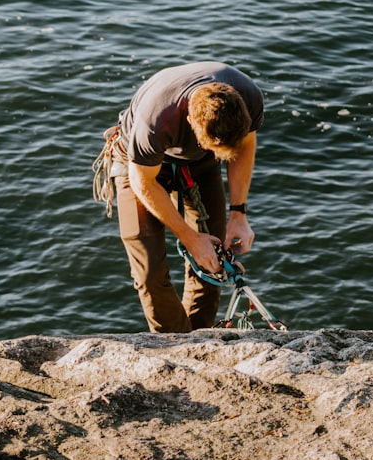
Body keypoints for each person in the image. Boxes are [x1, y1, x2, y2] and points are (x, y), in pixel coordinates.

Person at [93, 62, 264, 333]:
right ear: (190, 122)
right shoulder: (157, 119)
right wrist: (189, 237)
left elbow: (245, 147)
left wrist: (238, 213)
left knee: (213, 262)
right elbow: (143, 181)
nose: (224, 156)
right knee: (148, 271)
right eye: (217, 149)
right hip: (136, 167)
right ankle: (173, 344)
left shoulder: (248, 96)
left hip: (199, 165)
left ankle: (198, 339)